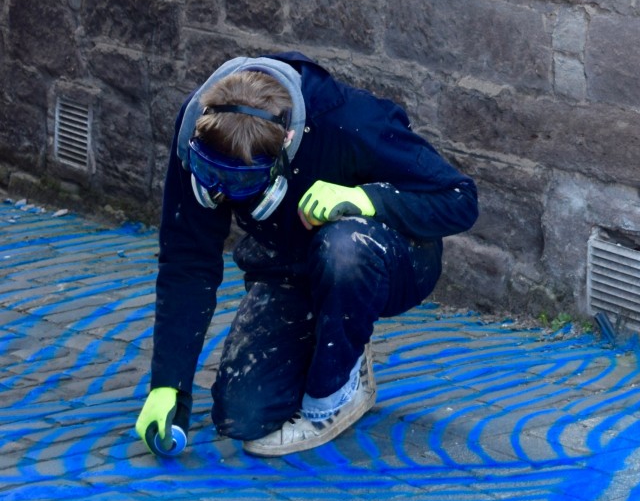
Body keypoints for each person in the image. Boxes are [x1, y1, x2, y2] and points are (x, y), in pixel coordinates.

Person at [133, 52, 478, 457]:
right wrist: (168, 384)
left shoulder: (351, 121)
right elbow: (187, 259)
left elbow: (460, 199)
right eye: (211, 175)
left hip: (383, 260)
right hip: (290, 266)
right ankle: (330, 331)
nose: (220, 192)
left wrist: (365, 199)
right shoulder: (199, 127)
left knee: (345, 248)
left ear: (287, 142)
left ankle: (334, 395)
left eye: (239, 184)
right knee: (241, 417)